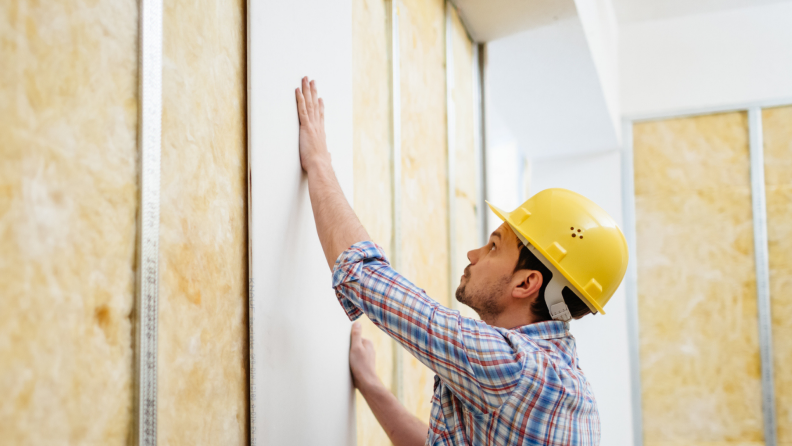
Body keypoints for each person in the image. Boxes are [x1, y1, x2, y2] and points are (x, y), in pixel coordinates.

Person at [295, 77, 629, 446]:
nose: (473, 255)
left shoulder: (512, 368)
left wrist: (318, 161)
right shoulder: (562, 383)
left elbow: (363, 275)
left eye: (493, 246)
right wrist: (370, 384)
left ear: (526, 284)